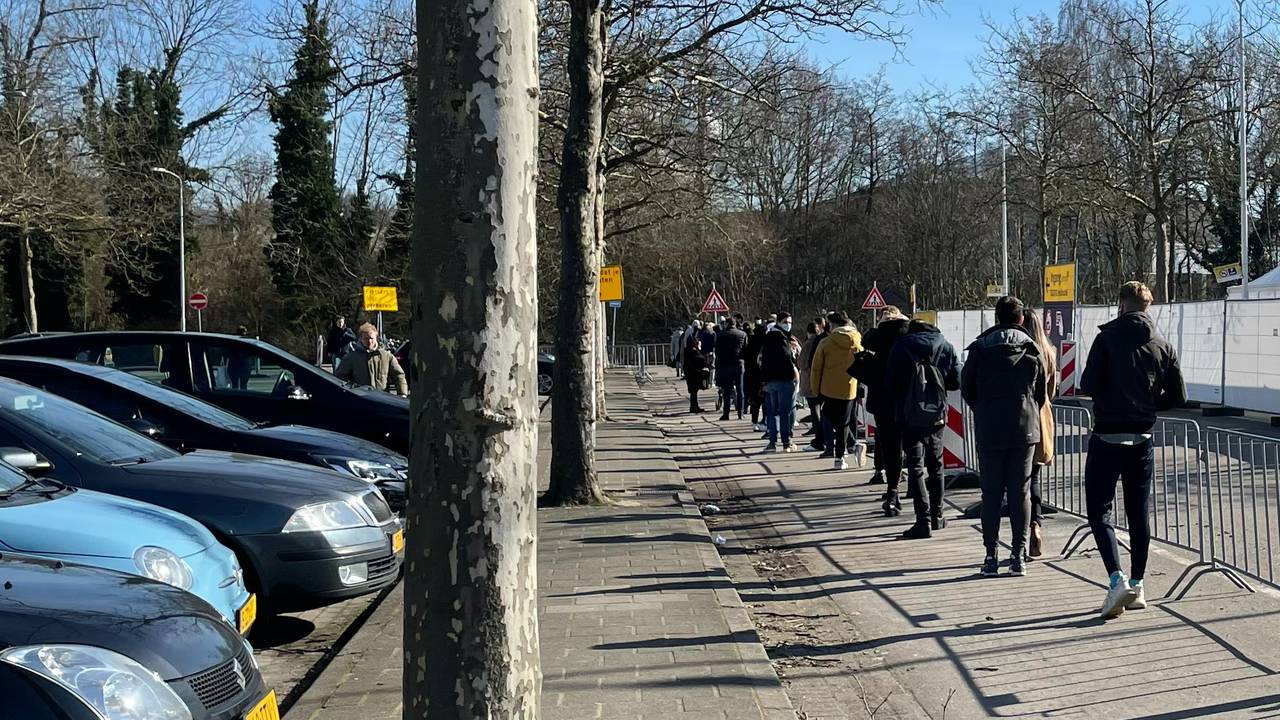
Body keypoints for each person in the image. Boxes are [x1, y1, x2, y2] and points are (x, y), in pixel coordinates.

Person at [1081, 281, 1186, 619]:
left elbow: (1088, 385)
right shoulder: (1162, 344)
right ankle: (1139, 584)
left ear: (1122, 304)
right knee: (1138, 513)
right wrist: (1149, 404)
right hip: (1142, 436)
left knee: (1100, 511)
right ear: (1148, 307)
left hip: (1107, 434)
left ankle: (1116, 580)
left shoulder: (1106, 339)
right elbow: (1178, 396)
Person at [961, 296, 1047, 577]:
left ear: (996, 318)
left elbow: (967, 388)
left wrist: (984, 408)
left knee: (991, 492)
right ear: (1021, 319)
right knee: (1020, 491)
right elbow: (1040, 393)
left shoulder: (979, 348)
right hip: (1025, 429)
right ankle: (1017, 556)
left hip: (989, 427)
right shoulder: (1031, 348)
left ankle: (989, 556)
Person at [886, 317, 960, 539]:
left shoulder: (901, 346)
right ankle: (938, 516)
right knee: (936, 465)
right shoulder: (945, 345)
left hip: (908, 415)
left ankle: (922, 520)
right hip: (936, 414)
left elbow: (891, 382)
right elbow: (955, 381)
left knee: (916, 466)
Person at [859, 307, 912, 513]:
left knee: (890, 447)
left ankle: (892, 491)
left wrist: (880, 325)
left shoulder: (877, 337)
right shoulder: (909, 334)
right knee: (912, 446)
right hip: (908, 398)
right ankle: (916, 487)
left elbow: (866, 340)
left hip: (882, 400)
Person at [1023, 308, 1058, 558]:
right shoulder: (1048, 352)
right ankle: (1036, 523)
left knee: (1019, 481)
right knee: (1034, 477)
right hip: (1042, 418)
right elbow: (1052, 390)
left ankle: (1022, 533)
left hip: (1021, 417)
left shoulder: (1023, 351)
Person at [810, 311, 863, 470]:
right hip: (849, 388)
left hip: (828, 387)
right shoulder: (856, 340)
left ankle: (837, 447)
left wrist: (815, 388)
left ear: (833, 325)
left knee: (828, 417)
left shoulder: (826, 343)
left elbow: (816, 368)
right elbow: (862, 364)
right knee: (844, 423)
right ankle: (841, 456)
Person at [759, 312, 801, 452]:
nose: (788, 325)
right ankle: (786, 442)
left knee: (772, 412)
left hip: (770, 380)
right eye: (786, 322)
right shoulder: (782, 338)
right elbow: (787, 358)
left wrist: (764, 380)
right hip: (784, 379)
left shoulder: (768, 337)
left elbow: (763, 360)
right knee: (784, 412)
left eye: (790, 322)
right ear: (780, 322)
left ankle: (772, 442)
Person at [336, 323, 409, 395]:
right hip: (361, 398)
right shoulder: (351, 357)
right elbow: (340, 376)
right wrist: (351, 389)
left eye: (371, 338)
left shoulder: (386, 356)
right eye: (366, 338)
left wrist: (402, 393)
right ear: (360, 339)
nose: (369, 341)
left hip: (383, 398)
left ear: (376, 338)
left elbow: (399, 375)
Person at [715, 317, 749, 420]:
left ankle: (726, 414)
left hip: (725, 365)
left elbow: (717, 351)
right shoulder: (742, 334)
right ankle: (741, 413)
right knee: (740, 389)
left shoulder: (721, 335)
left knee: (727, 391)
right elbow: (746, 350)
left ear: (726, 324)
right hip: (739, 364)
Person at [798, 319, 826, 441]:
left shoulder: (808, 344)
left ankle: (818, 433)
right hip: (823, 380)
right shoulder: (823, 341)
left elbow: (801, 363)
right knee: (822, 408)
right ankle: (822, 431)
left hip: (809, 380)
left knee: (814, 409)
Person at [745, 322, 768, 430]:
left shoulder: (751, 340)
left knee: (754, 399)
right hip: (763, 373)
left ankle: (754, 420)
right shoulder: (767, 341)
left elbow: (744, 355)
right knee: (765, 398)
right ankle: (765, 420)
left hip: (751, 374)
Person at [682, 335, 710, 413]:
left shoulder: (687, 350)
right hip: (694, 373)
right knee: (694, 391)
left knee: (693, 391)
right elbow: (701, 359)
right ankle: (694, 407)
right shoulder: (693, 350)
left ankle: (694, 406)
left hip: (690, 372)